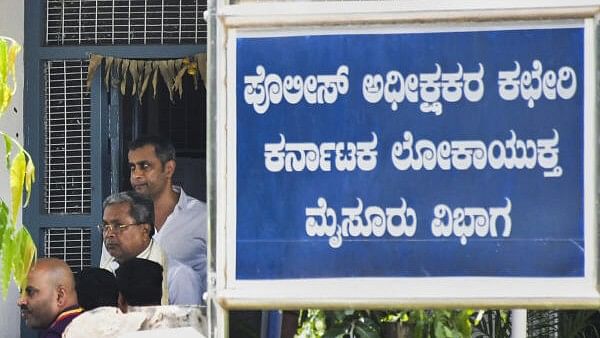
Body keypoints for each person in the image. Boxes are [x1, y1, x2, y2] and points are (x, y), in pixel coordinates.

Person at [127, 136, 207, 288]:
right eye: (132, 167)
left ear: (169, 169)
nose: (136, 175)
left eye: (145, 166)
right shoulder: (120, 220)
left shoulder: (204, 218)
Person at [99, 190, 203, 305]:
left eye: (119, 226)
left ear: (145, 230)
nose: (109, 234)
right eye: (105, 226)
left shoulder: (179, 277)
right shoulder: (105, 272)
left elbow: (187, 322)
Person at [17, 258, 83, 338]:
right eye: (21, 292)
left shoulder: (57, 334)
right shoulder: (92, 324)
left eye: (30, 292)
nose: (20, 301)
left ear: (59, 296)